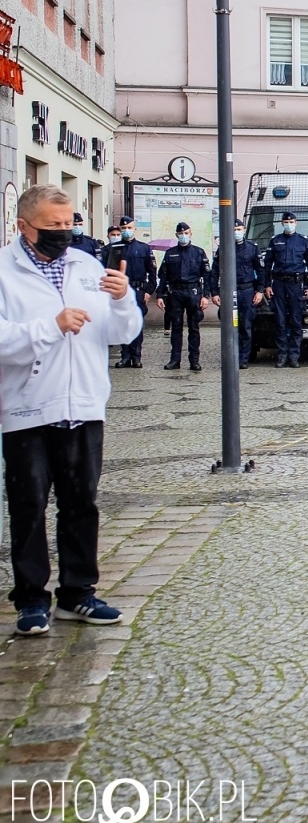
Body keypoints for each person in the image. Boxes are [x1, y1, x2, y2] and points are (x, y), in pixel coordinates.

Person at [0, 185, 142, 635]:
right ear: (24, 226)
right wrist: (49, 327)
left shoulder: (86, 265)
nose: (63, 232)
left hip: (83, 403)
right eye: (52, 226)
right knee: (29, 504)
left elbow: (121, 333)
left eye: (67, 224)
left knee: (82, 502)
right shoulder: (4, 271)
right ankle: (30, 599)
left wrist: (123, 299)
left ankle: (78, 593)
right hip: (27, 405)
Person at [209, 218, 264, 370]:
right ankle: (230, 356)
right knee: (230, 325)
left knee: (246, 326)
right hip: (229, 292)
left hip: (247, 291)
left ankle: (243, 358)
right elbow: (214, 272)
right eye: (233, 230)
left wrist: (260, 291)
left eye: (238, 229)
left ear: (244, 229)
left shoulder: (252, 248)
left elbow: (260, 271)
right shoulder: (224, 248)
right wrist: (214, 292)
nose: (236, 232)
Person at [263, 211, 308, 369]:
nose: (289, 224)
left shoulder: (303, 241)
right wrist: (267, 285)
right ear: (282, 223)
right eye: (286, 222)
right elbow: (267, 265)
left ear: (296, 223)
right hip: (279, 284)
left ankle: (294, 356)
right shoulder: (275, 241)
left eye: (291, 221)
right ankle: (282, 355)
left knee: (296, 321)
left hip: (296, 285)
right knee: (280, 321)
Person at [156, 222, 209, 372]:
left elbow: (206, 275)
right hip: (176, 294)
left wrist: (206, 296)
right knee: (176, 328)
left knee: (194, 328)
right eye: (181, 233)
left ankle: (194, 361)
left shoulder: (199, 252)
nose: (183, 236)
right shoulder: (170, 253)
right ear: (176, 235)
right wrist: (160, 295)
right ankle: (175, 360)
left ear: (191, 234)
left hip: (193, 292)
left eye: (186, 233)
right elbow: (163, 276)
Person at [106, 217, 157, 369]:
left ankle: (136, 356)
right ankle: (125, 355)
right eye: (123, 228)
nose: (126, 231)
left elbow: (152, 272)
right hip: (121, 290)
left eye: (129, 228)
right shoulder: (116, 249)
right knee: (122, 322)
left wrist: (148, 290)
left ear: (135, 229)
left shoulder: (144, 248)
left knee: (137, 323)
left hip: (138, 289)